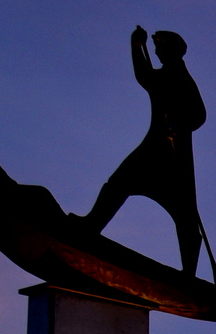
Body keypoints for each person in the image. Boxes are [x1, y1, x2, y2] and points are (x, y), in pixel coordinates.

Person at [79, 27, 207, 276]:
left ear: (170, 49)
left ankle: (189, 273)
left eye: (160, 48)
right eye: (155, 49)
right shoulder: (167, 74)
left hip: (172, 155)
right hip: (154, 147)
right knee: (118, 183)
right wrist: (137, 46)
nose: (157, 53)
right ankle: (91, 226)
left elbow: (199, 114)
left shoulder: (180, 76)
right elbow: (146, 76)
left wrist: (179, 122)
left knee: (184, 215)